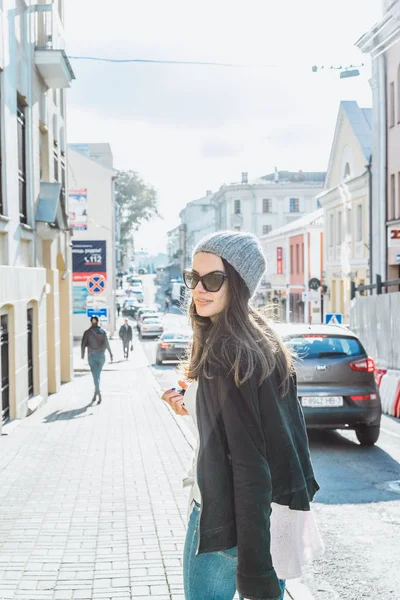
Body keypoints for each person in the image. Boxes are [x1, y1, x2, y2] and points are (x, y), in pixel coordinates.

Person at [162, 231, 324, 600]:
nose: (199, 289)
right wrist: (192, 404)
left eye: (213, 279)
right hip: (271, 516)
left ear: (238, 284)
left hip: (230, 518)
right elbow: (258, 431)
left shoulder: (228, 354)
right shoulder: (259, 340)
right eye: (193, 278)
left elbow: (250, 463)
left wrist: (254, 571)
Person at [81, 316, 113, 404]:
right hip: (101, 356)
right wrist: (110, 353)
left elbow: (83, 344)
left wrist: (82, 354)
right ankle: (95, 394)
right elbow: (107, 343)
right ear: (98, 322)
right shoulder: (102, 332)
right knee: (97, 375)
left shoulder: (87, 332)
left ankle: (98, 393)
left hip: (92, 356)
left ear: (91, 322)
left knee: (95, 376)